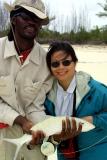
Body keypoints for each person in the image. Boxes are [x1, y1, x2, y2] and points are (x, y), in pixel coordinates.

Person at [0, 0, 53, 160]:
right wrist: (21, 120)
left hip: (33, 141)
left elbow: (37, 104)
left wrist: (41, 130)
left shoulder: (47, 60)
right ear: (13, 19)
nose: (32, 22)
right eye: (26, 16)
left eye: (37, 19)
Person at [44, 41, 107, 160]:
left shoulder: (96, 90)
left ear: (75, 62)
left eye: (66, 62)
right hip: (65, 155)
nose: (61, 67)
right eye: (55, 64)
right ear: (50, 68)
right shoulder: (47, 97)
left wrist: (93, 120)